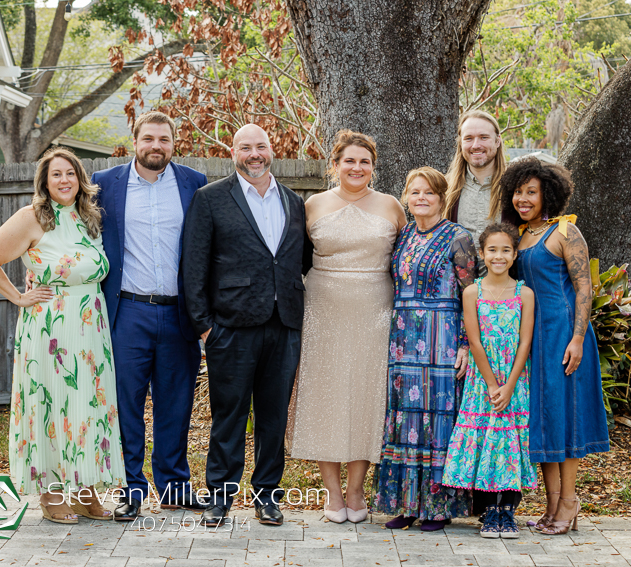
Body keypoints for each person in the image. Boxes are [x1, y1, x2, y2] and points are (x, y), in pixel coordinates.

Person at [0, 147, 126, 524]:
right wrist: (19, 297)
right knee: (51, 405)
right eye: (56, 174)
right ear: (44, 181)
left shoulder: (88, 218)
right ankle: (51, 492)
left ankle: (86, 490)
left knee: (88, 408)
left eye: (70, 174)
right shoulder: (32, 218)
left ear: (80, 180)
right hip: (50, 329)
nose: (64, 180)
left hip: (91, 329)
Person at [183, 124, 309, 527]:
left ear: (271, 150)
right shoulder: (210, 199)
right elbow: (194, 266)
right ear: (232, 152)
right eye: (245, 147)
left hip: (283, 324)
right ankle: (220, 495)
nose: (254, 154)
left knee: (273, 417)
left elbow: (298, 260)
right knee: (230, 415)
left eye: (261, 146)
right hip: (230, 328)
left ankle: (267, 496)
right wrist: (205, 327)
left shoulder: (293, 201)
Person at [90, 111, 209, 520]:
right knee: (126, 404)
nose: (156, 145)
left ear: (174, 142)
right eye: (149, 138)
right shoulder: (105, 185)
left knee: (176, 404)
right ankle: (131, 488)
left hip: (179, 314)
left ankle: (175, 487)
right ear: (135, 141)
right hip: (128, 312)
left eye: (164, 139)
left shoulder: (195, 183)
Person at [290, 130, 405, 524]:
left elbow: (405, 260)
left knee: (367, 397)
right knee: (327, 396)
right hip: (323, 309)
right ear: (334, 165)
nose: (357, 168)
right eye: (349, 161)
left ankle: (357, 492)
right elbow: (296, 260)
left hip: (376, 310)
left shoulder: (392, 207)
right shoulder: (312, 205)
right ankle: (333, 494)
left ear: (373, 167)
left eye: (365, 162)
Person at [500, 156, 610, 535]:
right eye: (518, 191)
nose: (523, 198)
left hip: (564, 335)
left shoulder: (565, 231)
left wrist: (578, 338)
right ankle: (550, 506)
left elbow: (584, 287)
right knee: (544, 418)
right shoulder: (518, 234)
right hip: (532, 338)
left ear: (549, 193)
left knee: (568, 418)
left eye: (532, 191)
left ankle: (569, 501)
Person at [372, 167, 476, 531]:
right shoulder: (402, 237)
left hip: (442, 339)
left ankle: (437, 507)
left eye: (428, 192)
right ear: (406, 197)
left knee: (438, 418)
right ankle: (405, 504)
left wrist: (465, 343)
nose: (421, 198)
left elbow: (470, 294)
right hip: (403, 341)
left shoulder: (458, 238)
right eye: (414, 192)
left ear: (442, 197)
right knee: (404, 417)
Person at [442, 223, 537, 539]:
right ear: (482, 254)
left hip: (515, 380)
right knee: (486, 441)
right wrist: (493, 384)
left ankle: (508, 511)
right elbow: (475, 340)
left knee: (509, 443)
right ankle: (488, 512)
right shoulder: (472, 292)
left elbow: (525, 342)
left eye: (506, 250)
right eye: (492, 250)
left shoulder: (525, 293)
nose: (499, 256)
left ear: (514, 254)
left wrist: (509, 385)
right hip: (483, 383)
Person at [443, 109, 507, 246]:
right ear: (460, 143)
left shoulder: (516, 188)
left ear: (497, 141)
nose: (476, 145)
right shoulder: (444, 188)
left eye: (484, 137)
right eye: (469, 138)